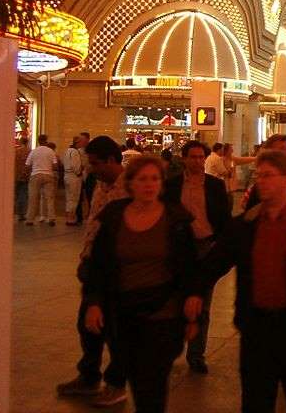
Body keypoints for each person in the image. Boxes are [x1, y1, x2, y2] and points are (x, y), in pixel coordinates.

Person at [185, 149, 286, 413]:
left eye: (268, 176)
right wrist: (195, 291)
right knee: (256, 400)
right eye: (258, 175)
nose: (261, 181)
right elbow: (215, 262)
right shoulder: (245, 226)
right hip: (256, 329)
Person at [82, 155, 196, 413]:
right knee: (134, 373)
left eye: (155, 179)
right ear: (130, 183)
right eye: (143, 179)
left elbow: (189, 270)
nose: (149, 185)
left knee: (153, 383)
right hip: (123, 313)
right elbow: (99, 266)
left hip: (163, 314)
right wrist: (94, 302)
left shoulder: (176, 220)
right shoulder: (114, 218)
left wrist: (192, 314)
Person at [57, 135, 130, 406]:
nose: (92, 168)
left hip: (117, 270)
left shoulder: (131, 188)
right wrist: (86, 256)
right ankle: (88, 376)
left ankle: (115, 383)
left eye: (96, 163)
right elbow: (93, 225)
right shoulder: (101, 185)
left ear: (111, 160)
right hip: (94, 266)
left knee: (115, 329)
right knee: (87, 324)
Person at [162, 140, 231, 374]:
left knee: (202, 303)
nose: (198, 161)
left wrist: (218, 246)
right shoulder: (171, 186)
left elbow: (223, 218)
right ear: (184, 159)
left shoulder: (215, 186)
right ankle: (171, 350)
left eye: (201, 157)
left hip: (205, 248)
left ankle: (196, 354)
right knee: (174, 301)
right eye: (193, 157)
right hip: (179, 249)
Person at [25, 133, 58, 226]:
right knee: (49, 198)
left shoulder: (34, 151)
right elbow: (55, 165)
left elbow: (27, 165)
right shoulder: (51, 151)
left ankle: (30, 219)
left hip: (35, 175)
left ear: (38, 141)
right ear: (46, 140)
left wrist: (29, 173)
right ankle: (51, 218)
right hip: (48, 175)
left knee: (33, 198)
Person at [63, 135, 86, 225]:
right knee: (74, 198)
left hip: (66, 175)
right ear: (77, 142)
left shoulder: (67, 150)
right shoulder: (75, 152)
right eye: (81, 142)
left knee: (68, 198)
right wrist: (79, 172)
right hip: (74, 177)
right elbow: (75, 166)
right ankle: (71, 218)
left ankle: (68, 217)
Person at [14, 137, 29, 222]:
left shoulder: (16, 151)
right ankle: (22, 213)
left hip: (16, 175)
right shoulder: (29, 151)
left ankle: (16, 212)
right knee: (23, 194)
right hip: (25, 176)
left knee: (16, 194)